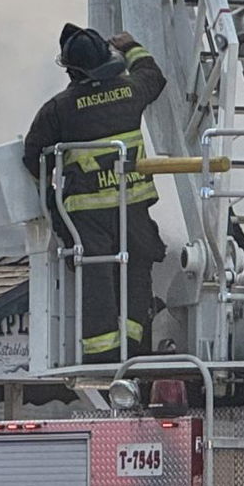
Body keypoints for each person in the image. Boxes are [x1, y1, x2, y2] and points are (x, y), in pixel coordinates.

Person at [22, 23, 169, 359]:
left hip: (86, 215)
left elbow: (33, 157)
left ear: (71, 69)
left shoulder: (58, 109)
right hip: (132, 206)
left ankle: (101, 353)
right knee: (137, 268)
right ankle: (134, 346)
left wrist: (50, 196)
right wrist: (131, 45)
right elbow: (153, 75)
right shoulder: (132, 90)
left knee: (96, 277)